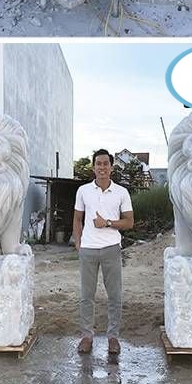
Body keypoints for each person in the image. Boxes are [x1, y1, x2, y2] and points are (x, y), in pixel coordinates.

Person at [73, 148, 134, 355]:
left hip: (111, 248)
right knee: (86, 296)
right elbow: (77, 219)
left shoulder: (121, 192)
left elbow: (129, 222)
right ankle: (86, 336)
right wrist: (79, 245)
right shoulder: (83, 191)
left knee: (114, 296)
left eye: (105, 164)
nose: (102, 167)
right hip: (88, 249)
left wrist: (107, 223)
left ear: (111, 167)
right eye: (98, 164)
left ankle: (113, 337)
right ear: (93, 167)